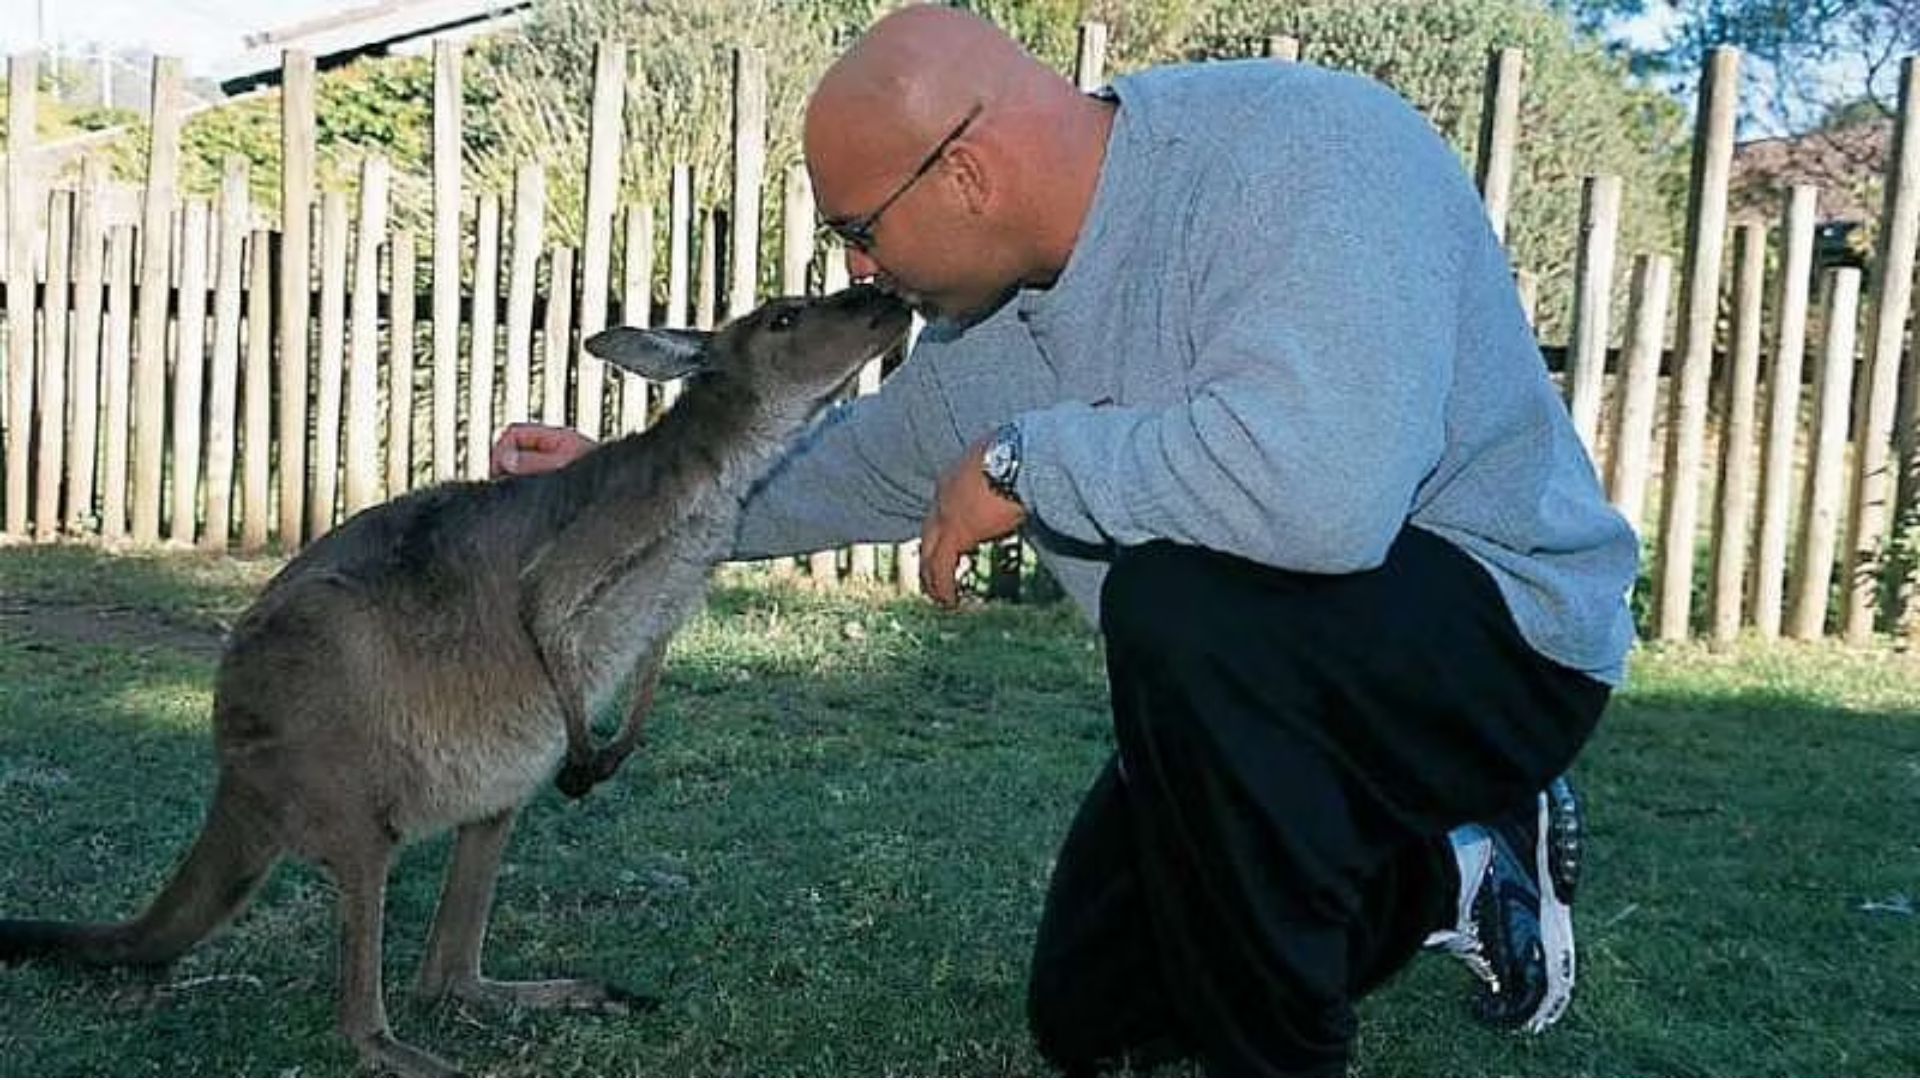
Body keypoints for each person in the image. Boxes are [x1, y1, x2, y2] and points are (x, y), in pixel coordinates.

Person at [492, 6, 1637, 1074]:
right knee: (1095, 1020)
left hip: (1501, 641)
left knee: (1179, 604)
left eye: (859, 231)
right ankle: (1461, 867)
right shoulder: (995, 315)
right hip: (1255, 681)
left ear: (969, 174)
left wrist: (1027, 463)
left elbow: (1319, 497)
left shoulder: (1309, 159)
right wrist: (626, 483)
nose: (858, 271)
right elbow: (875, 468)